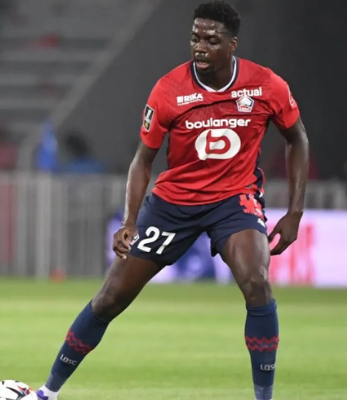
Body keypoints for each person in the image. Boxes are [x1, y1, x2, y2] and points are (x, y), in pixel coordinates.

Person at [35, 2, 309, 400]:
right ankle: (48, 391)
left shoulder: (266, 85)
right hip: (172, 206)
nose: (200, 47)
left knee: (257, 283)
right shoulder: (168, 89)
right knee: (111, 298)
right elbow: (142, 160)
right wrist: (129, 220)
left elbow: (297, 138)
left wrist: (295, 212)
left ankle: (264, 397)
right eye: (195, 37)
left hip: (234, 200)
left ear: (232, 44)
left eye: (211, 40)